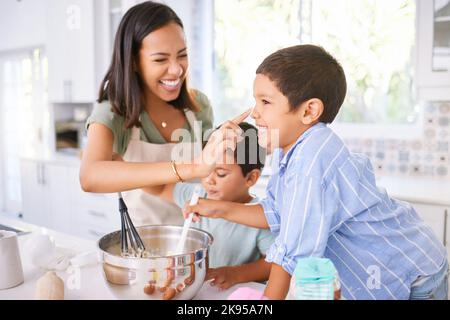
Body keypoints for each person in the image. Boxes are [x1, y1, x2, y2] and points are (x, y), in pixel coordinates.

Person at [182, 44, 449, 300]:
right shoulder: (295, 150)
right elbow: (276, 212)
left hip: (415, 274)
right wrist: (214, 208)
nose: (255, 113)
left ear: (309, 111)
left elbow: (291, 254)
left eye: (265, 102)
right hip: (404, 264)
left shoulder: (311, 162)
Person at [81, 1, 217, 226]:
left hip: (196, 242)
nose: (176, 69)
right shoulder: (113, 112)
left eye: (182, 55)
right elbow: (89, 177)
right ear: (134, 61)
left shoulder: (198, 105)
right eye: (160, 59)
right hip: (144, 250)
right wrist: (191, 167)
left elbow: (211, 179)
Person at [150, 122, 274, 290]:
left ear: (251, 178)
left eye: (221, 173)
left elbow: (273, 264)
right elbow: (161, 188)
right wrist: (126, 169)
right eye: (206, 169)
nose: (209, 180)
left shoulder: (260, 216)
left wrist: (234, 274)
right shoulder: (196, 195)